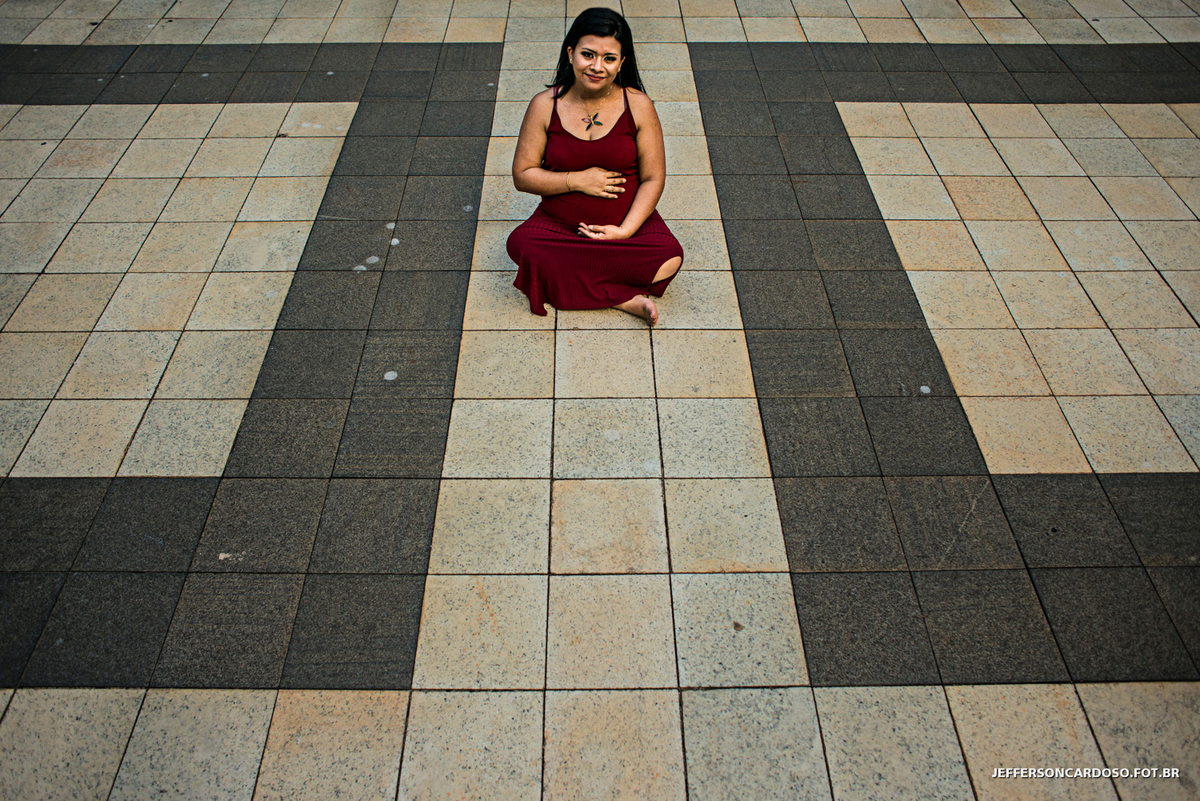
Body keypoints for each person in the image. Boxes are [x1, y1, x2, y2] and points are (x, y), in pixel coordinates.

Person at [506, 7, 684, 325]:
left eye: (609, 58)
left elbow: (653, 178)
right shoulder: (545, 105)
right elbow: (523, 175)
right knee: (522, 245)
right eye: (588, 54)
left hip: (626, 230)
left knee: (669, 255)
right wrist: (576, 181)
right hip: (560, 227)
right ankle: (624, 297)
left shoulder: (638, 105)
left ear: (622, 62)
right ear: (571, 53)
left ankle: (577, 282)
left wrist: (624, 231)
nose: (597, 67)